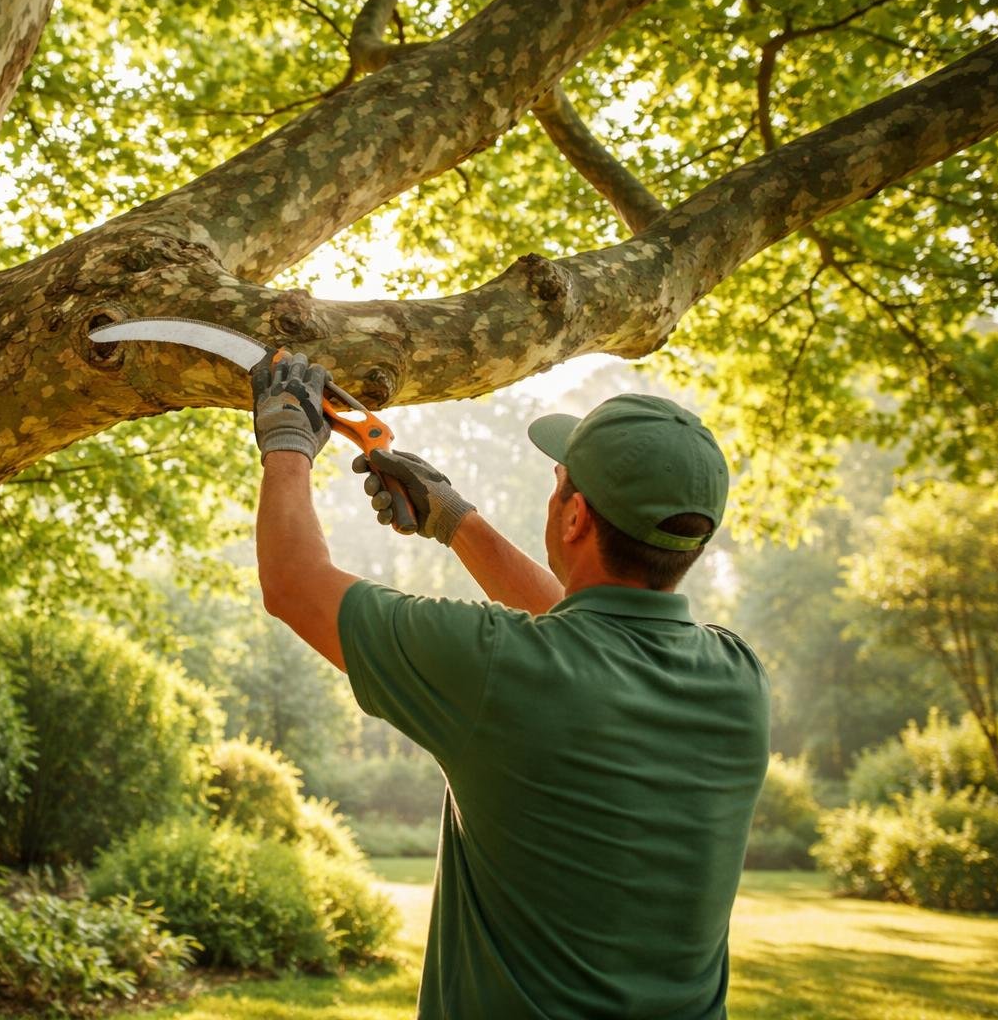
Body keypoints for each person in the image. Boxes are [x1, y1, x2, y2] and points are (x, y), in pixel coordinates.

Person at [251, 353, 770, 1020]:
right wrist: (455, 520)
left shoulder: (499, 667)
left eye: (558, 485)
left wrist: (287, 438)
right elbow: (582, 631)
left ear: (575, 516)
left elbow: (294, 583)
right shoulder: (739, 680)